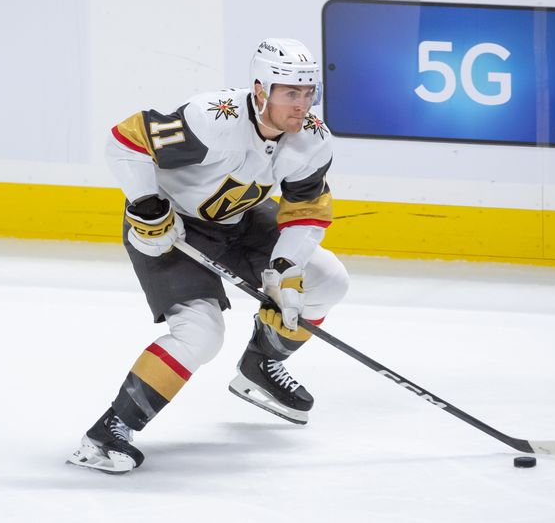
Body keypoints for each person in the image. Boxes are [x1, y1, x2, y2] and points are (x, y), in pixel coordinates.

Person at [67, 38, 349, 474]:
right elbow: (127, 140)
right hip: (169, 229)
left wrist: (285, 272)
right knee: (201, 334)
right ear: (260, 91)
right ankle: (107, 433)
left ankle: (261, 364)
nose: (303, 105)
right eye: (291, 93)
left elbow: (306, 211)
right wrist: (146, 207)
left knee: (327, 280)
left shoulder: (312, 140)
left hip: (239, 220)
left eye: (309, 92)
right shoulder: (214, 119)